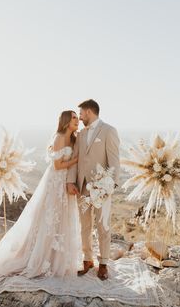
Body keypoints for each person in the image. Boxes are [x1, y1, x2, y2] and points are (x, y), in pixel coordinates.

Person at [0, 110, 81, 297]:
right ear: (66, 121)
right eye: (74, 118)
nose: (77, 120)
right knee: (49, 219)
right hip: (55, 182)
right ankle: (40, 258)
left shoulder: (73, 138)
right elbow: (56, 166)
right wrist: (76, 160)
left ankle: (57, 258)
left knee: (61, 219)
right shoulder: (58, 138)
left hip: (64, 182)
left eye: (77, 118)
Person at [67, 99, 120, 280]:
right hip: (82, 187)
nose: (80, 117)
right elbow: (75, 159)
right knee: (85, 226)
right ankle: (87, 260)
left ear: (89, 112)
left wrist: (109, 186)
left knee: (103, 226)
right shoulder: (81, 135)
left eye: (81, 114)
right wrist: (70, 181)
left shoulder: (109, 131)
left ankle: (103, 263)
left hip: (102, 188)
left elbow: (114, 161)